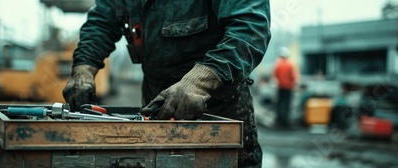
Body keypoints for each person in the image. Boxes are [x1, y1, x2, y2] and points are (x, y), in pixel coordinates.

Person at [62, 1, 271, 167]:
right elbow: (101, 22)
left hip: (220, 109)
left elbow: (251, 29)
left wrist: (198, 83)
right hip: (156, 108)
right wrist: (83, 70)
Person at [273, 47, 298, 128]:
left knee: (279, 103)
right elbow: (294, 77)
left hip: (280, 87)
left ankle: (279, 120)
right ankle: (285, 121)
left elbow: (275, 75)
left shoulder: (278, 64)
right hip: (288, 87)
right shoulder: (290, 64)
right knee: (287, 104)